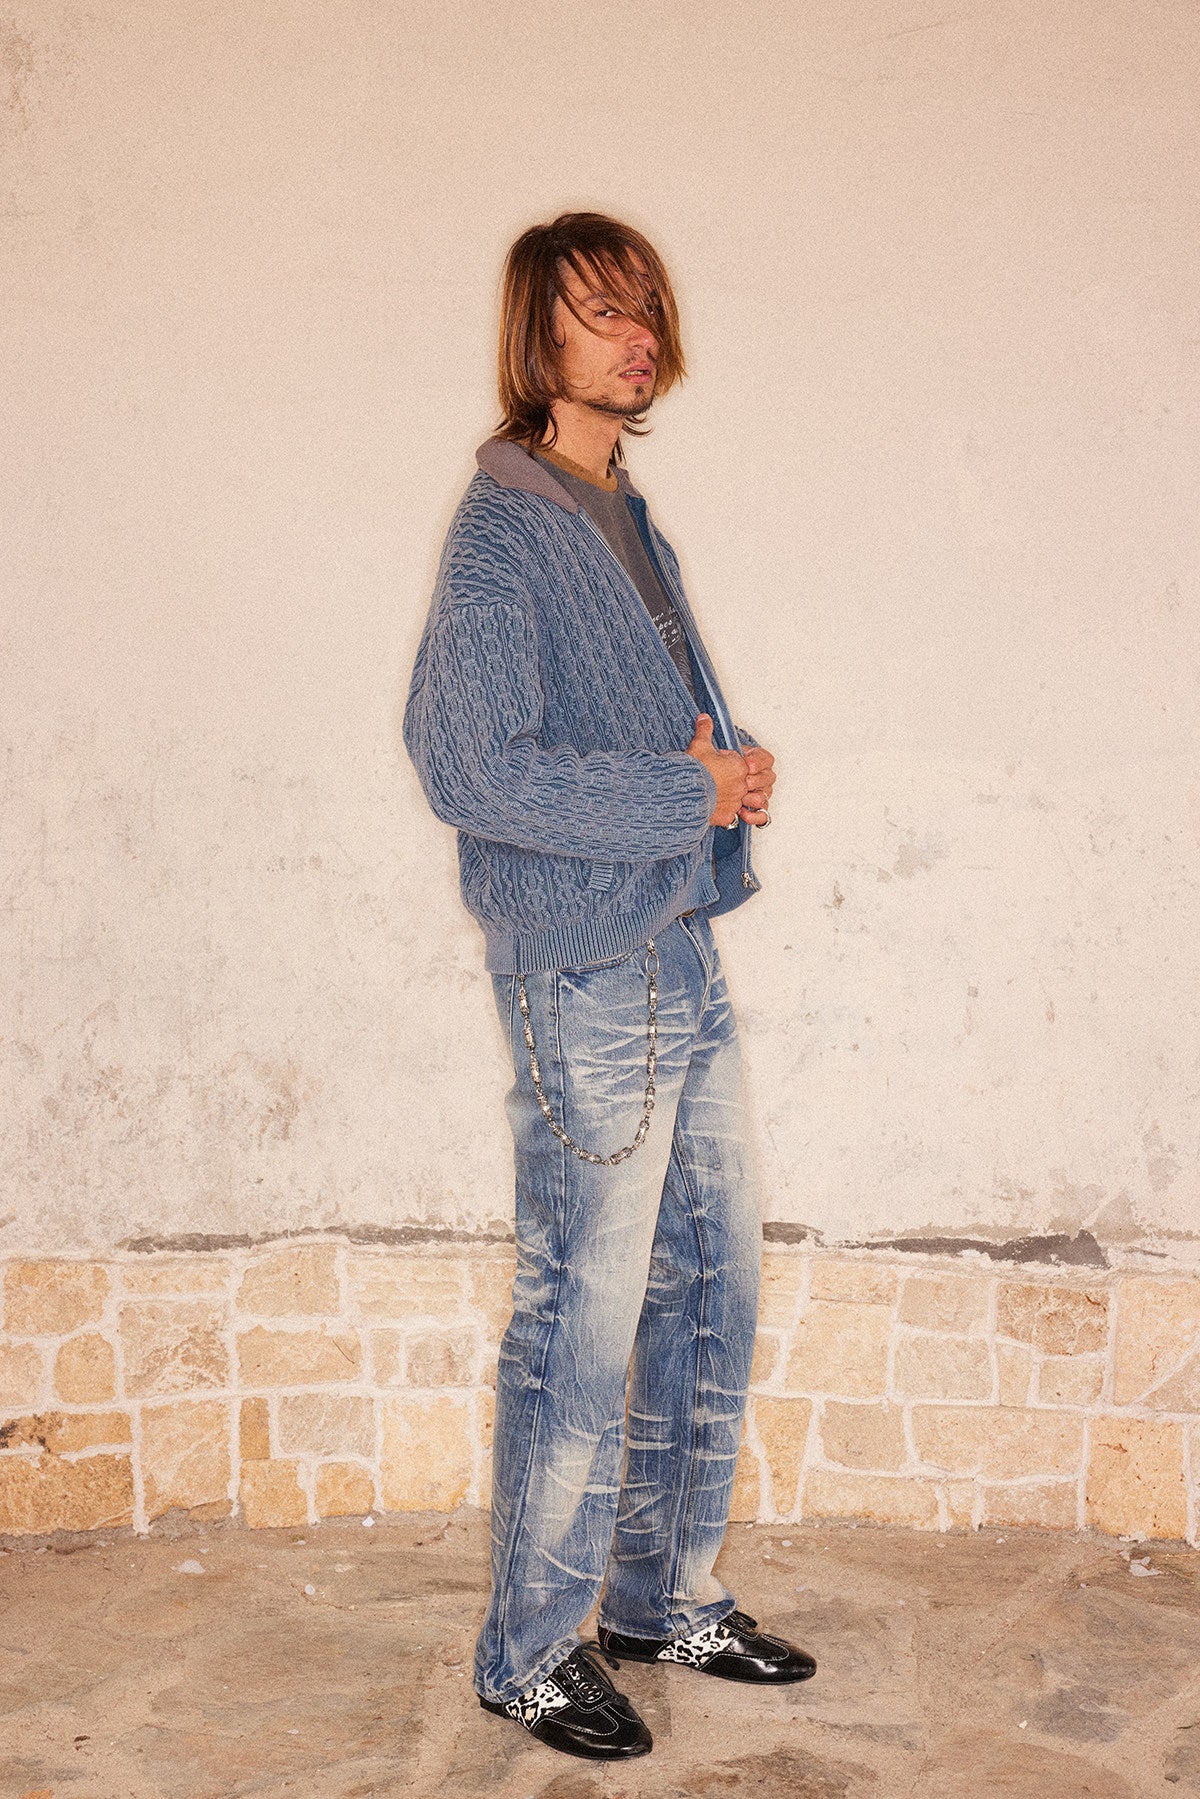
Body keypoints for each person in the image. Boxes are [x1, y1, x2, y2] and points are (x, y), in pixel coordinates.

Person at [403, 211, 815, 1763]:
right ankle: (528, 1650)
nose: (635, 336)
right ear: (539, 336)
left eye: (645, 308)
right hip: (585, 973)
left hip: (674, 943)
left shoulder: (620, 507)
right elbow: (467, 765)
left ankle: (660, 1597)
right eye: (597, 312)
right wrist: (682, 793)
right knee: (580, 1314)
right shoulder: (506, 528)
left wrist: (726, 767)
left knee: (713, 1279)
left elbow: (640, 730)